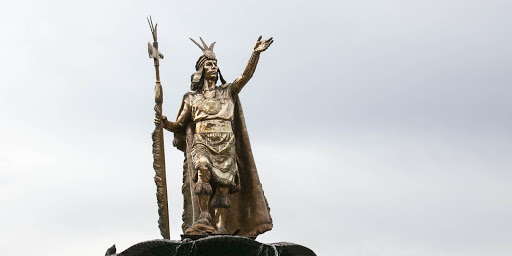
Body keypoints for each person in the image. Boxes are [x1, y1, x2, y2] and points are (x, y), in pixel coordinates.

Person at [157, 36, 274, 236]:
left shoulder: (228, 91)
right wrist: (164, 122)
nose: (213, 67)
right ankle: (204, 218)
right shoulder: (191, 97)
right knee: (202, 170)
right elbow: (179, 124)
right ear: (200, 71)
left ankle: (221, 226)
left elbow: (244, 77)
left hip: (226, 143)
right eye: (209, 64)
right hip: (202, 141)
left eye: (215, 64)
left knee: (223, 187)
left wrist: (255, 54)